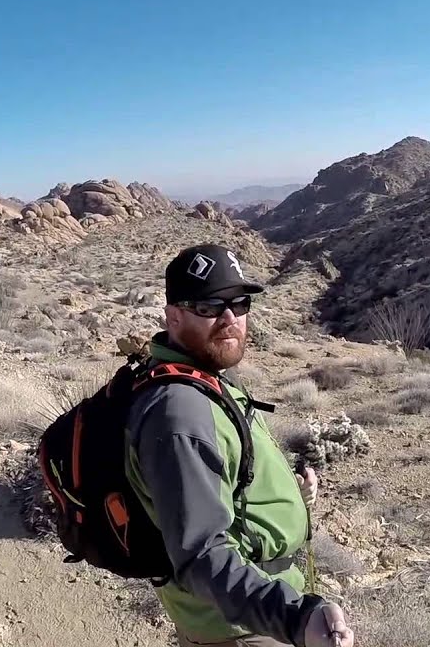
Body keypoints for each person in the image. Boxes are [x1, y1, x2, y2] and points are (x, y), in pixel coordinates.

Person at [123, 243, 356, 647]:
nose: (230, 318)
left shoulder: (202, 375)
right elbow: (202, 554)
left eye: (239, 303)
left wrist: (287, 495)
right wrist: (295, 618)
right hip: (242, 626)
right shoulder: (180, 413)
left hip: (250, 609)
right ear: (174, 317)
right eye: (209, 306)